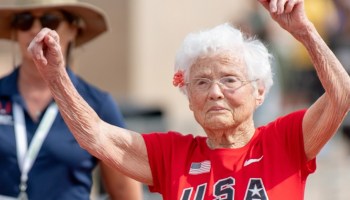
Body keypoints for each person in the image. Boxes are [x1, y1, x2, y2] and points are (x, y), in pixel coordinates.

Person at [29, 0, 350, 199]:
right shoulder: (172, 155)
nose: (214, 91)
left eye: (229, 79)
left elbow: (341, 95)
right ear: (189, 99)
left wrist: (303, 30)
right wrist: (57, 77)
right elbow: (96, 136)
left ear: (259, 91)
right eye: (201, 82)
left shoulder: (285, 142)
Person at [0, 0, 142, 200]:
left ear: (74, 30)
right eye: (24, 21)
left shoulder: (98, 104)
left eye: (49, 20)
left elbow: (126, 195)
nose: (34, 29)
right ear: (15, 31)